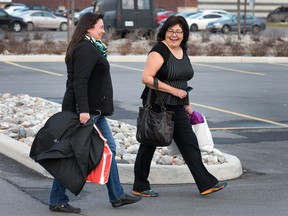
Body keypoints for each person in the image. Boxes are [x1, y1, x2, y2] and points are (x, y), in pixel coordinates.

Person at [48, 12, 141, 213]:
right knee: (73, 155)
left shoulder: (90, 47)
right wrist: (83, 111)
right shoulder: (86, 49)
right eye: (100, 26)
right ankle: (57, 199)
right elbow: (79, 82)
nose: (103, 30)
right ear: (89, 27)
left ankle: (116, 195)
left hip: (93, 111)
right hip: (86, 112)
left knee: (108, 149)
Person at [132, 15, 227, 197]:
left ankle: (206, 183)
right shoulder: (159, 51)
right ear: (164, 32)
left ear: (184, 34)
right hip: (158, 104)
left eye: (179, 32)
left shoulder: (183, 50)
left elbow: (182, 80)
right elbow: (147, 78)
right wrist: (173, 91)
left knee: (189, 143)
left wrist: (187, 103)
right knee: (149, 144)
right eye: (171, 31)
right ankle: (140, 185)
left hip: (178, 106)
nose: (174, 35)